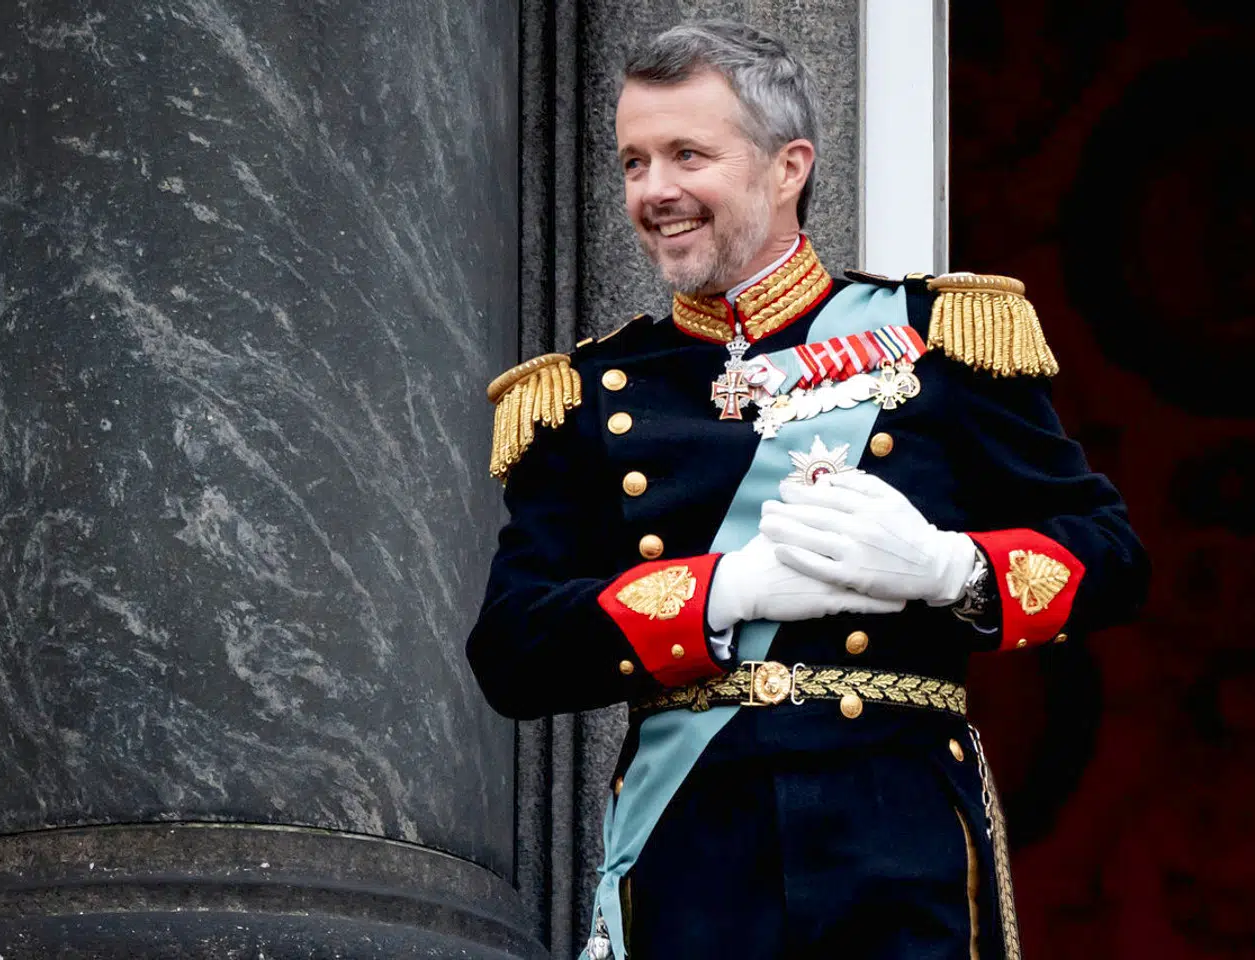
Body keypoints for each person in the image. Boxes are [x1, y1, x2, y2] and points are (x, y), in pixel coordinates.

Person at [468, 19, 1148, 960]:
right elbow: (512, 651)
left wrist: (952, 570)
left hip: (898, 851)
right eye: (633, 162)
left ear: (788, 168)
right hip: (693, 860)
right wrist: (719, 594)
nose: (654, 191)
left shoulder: (939, 339)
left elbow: (1113, 557)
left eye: (688, 155)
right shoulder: (588, 393)